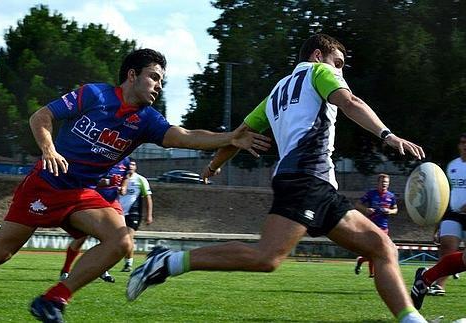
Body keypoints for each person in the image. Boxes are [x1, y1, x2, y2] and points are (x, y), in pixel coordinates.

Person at [0, 48, 271, 323]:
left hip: (83, 193)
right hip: (45, 185)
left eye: (161, 80)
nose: (158, 86)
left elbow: (186, 135)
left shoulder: (147, 119)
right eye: (154, 77)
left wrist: (231, 137)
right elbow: (42, 116)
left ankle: (54, 298)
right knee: (0, 252)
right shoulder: (94, 95)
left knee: (122, 241)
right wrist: (48, 148)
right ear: (132, 75)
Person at [126, 35, 427, 323]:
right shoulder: (320, 71)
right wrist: (387, 134)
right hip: (306, 178)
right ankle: (167, 261)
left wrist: (215, 165)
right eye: (338, 62)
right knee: (266, 257)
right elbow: (351, 103)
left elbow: (239, 135)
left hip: (315, 184)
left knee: (382, 247)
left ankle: (412, 319)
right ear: (318, 55)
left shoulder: (277, 92)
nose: (340, 70)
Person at [411, 133, 466, 309]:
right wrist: (437, 224)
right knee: (448, 248)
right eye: (463, 142)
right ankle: (430, 281)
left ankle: (425, 279)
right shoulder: (452, 166)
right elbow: (442, 194)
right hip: (453, 213)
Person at [59, 157, 131, 283]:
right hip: (92, 201)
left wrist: (123, 187)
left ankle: (103, 270)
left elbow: (125, 177)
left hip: (113, 201)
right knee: (81, 239)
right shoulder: (103, 156)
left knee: (119, 237)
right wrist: (109, 182)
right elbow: (88, 181)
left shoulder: (126, 160)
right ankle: (65, 270)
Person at [354, 173, 398, 277]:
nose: (384, 184)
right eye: (382, 182)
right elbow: (357, 204)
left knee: (380, 250)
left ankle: (361, 260)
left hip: (384, 228)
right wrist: (366, 209)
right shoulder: (371, 194)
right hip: (371, 226)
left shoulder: (391, 196)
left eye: (386, 182)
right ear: (378, 183)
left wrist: (389, 211)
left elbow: (395, 209)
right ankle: (372, 273)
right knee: (375, 249)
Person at [119, 158, 153, 272]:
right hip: (118, 212)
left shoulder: (140, 179)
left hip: (134, 213)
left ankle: (128, 263)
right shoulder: (120, 178)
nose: (131, 166)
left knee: (128, 238)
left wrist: (149, 215)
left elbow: (148, 197)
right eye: (129, 164)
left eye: (133, 164)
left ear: (136, 167)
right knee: (117, 239)